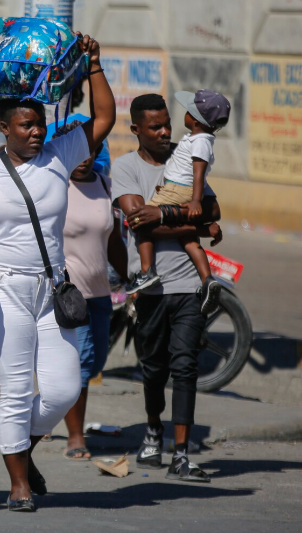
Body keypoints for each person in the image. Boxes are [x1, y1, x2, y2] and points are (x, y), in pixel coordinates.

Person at [0, 33, 116, 511]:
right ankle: (19, 484)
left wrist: (92, 62)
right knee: (17, 389)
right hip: (6, 291)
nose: (35, 132)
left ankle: (19, 450)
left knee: (65, 388)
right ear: (4, 128)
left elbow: (105, 118)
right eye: (25, 125)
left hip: (53, 289)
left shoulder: (59, 155)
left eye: (39, 124)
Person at [112, 93, 223, 483]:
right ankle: (153, 427)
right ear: (136, 130)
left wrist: (163, 212)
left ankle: (181, 453)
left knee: (186, 367)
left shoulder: (189, 153)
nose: (164, 132)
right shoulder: (124, 167)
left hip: (188, 285)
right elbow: (139, 222)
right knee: (154, 369)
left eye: (167, 125)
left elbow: (212, 210)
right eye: (155, 127)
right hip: (150, 290)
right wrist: (176, 220)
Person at [58, 129, 129, 461]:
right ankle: (75, 437)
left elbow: (112, 238)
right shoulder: (54, 185)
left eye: (93, 150)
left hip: (101, 290)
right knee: (82, 364)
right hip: (69, 293)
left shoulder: (104, 185)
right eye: (79, 150)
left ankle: (47, 407)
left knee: (97, 360)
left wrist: (128, 276)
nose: (85, 158)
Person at [127, 90, 230, 315]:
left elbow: (198, 173)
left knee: (140, 221)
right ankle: (207, 279)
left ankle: (146, 272)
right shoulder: (199, 138)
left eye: (187, 111)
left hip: (178, 190)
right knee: (189, 240)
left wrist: (195, 201)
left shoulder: (201, 141)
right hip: (181, 189)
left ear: (194, 119)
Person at [45, 82, 112, 176]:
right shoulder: (94, 125)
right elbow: (104, 167)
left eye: (87, 152)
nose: (83, 159)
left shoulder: (49, 129)